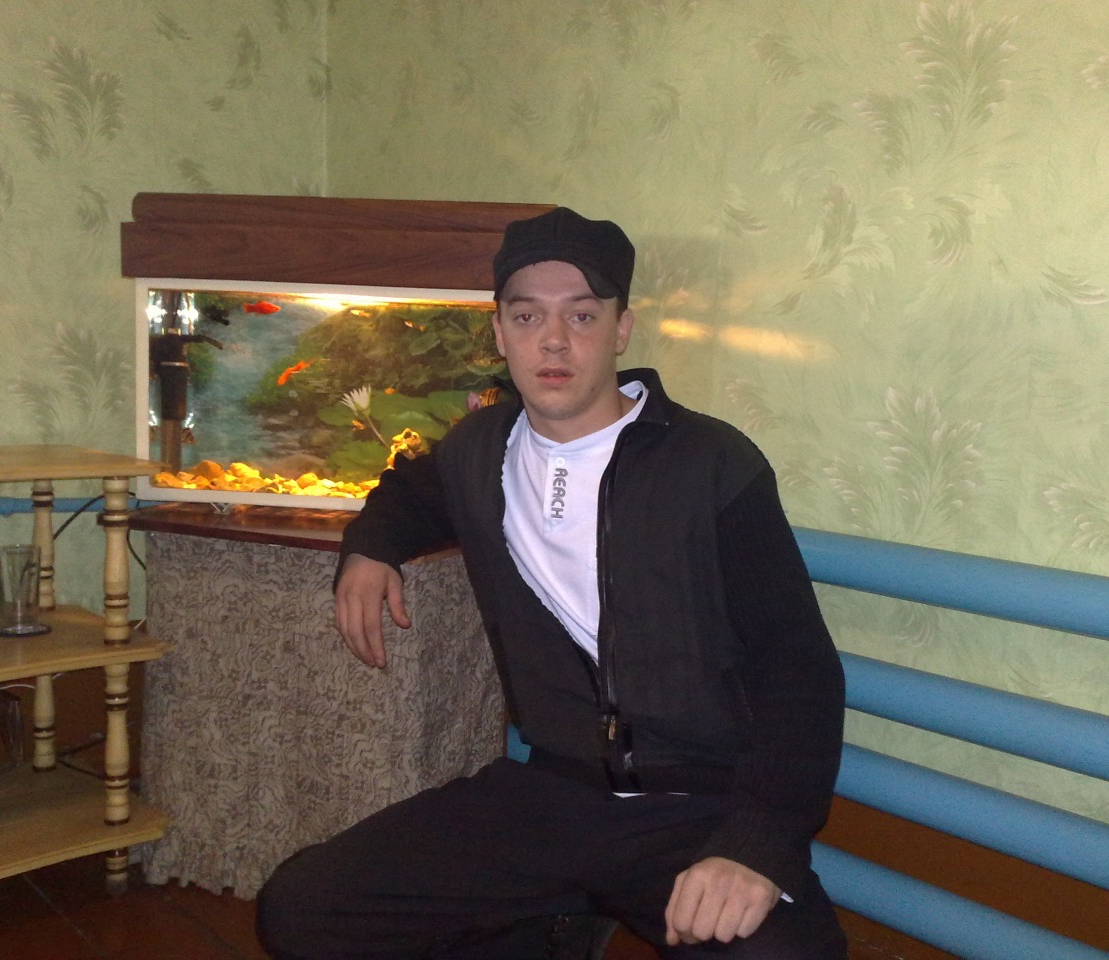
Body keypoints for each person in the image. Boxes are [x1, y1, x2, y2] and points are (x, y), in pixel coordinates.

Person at [256, 207, 848, 960]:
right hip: (548, 795)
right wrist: (371, 546)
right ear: (500, 332)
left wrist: (756, 844)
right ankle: (553, 931)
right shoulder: (479, 449)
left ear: (622, 329)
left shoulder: (710, 463)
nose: (554, 340)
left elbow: (797, 663)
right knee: (301, 911)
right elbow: (411, 490)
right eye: (528, 315)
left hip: (693, 807)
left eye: (582, 314)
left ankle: (561, 926)